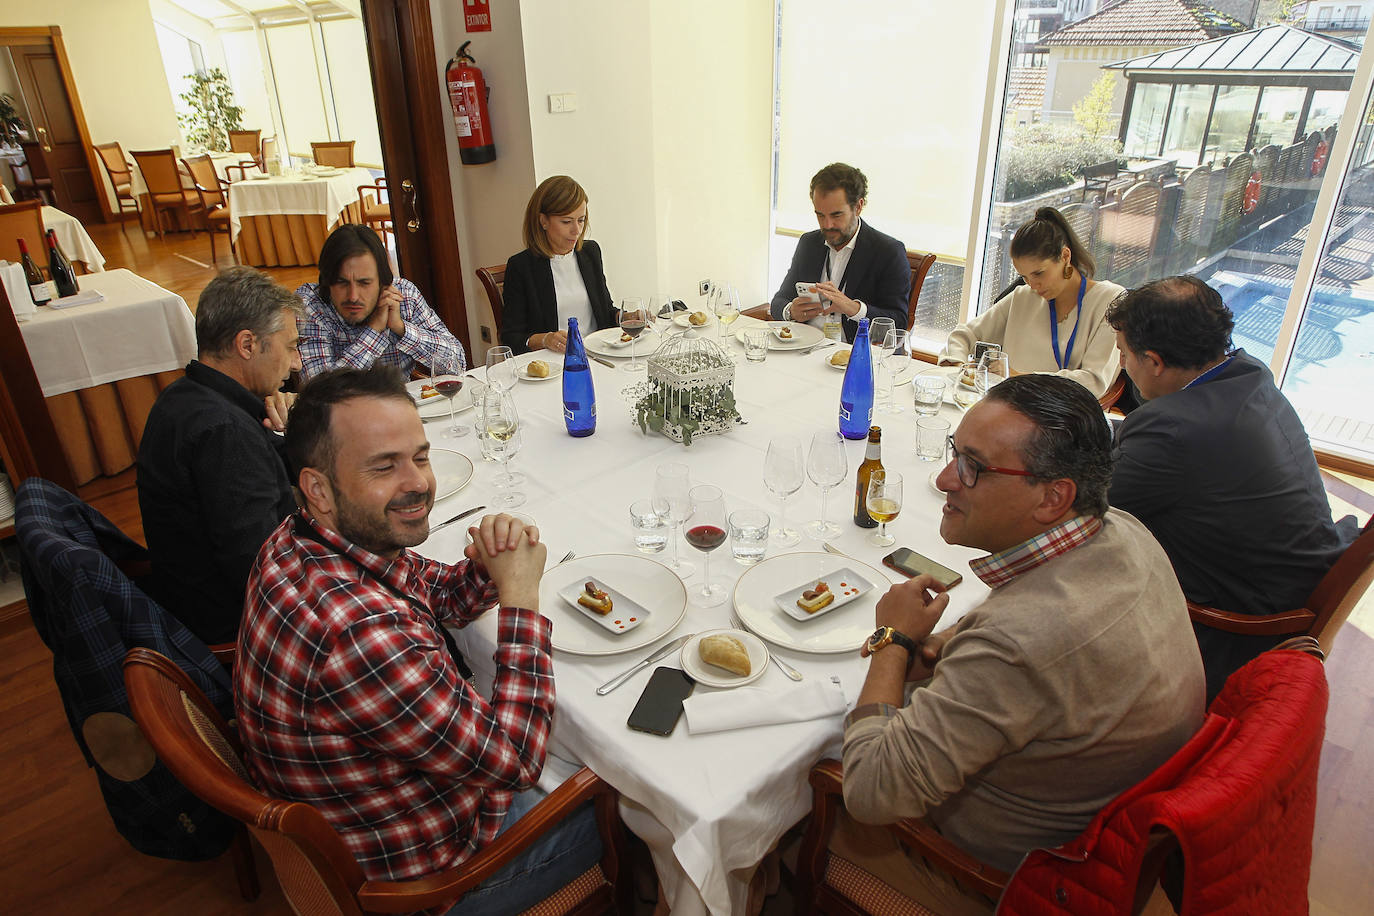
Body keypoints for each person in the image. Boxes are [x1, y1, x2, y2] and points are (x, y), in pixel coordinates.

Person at [234, 365, 600, 912]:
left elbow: (431, 592)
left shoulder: (303, 537)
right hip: (434, 884)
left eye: (421, 457)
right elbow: (517, 759)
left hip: (375, 814)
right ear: (319, 487)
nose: (418, 484)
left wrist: (488, 567)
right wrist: (520, 596)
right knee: (634, 801)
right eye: (385, 466)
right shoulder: (358, 634)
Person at [840, 375, 1204, 915]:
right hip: (1098, 816)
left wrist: (892, 640)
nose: (944, 480)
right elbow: (1028, 648)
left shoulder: (1022, 643)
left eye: (973, 467)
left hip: (1005, 875)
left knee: (790, 796)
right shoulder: (1122, 529)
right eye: (953, 454)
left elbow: (870, 792)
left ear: (1054, 496)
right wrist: (949, 645)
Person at [1106, 275, 1359, 699]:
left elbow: (1088, 503)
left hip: (1234, 629)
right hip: (1287, 586)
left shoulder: (1174, 427)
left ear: (1153, 361)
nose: (1123, 366)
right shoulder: (1248, 375)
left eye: (1123, 354)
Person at [137, 266, 302, 645]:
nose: (296, 364)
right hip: (241, 633)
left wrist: (302, 426)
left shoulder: (185, 397)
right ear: (247, 345)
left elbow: (285, 461)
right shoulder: (224, 433)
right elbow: (265, 576)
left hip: (194, 599)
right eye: (290, 346)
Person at [940, 207, 1123, 399]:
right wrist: (958, 366)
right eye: (1024, 276)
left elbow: (1093, 382)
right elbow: (964, 335)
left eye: (1039, 273)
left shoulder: (1110, 301)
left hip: (1060, 418)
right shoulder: (1023, 297)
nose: (1033, 285)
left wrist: (1017, 377)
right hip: (1008, 406)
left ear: (1065, 256)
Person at [296, 224, 467, 380]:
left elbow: (458, 362)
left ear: (383, 282)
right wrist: (374, 331)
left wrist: (402, 329)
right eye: (342, 282)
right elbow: (321, 396)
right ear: (327, 281)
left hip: (401, 407)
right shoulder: (311, 306)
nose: (353, 296)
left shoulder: (403, 294)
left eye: (364, 283)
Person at [769, 163, 911, 342]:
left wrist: (854, 308)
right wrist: (790, 311)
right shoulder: (809, 243)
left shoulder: (888, 251)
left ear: (858, 207)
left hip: (853, 356)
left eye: (836, 215)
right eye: (820, 215)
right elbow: (778, 301)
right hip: (803, 349)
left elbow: (898, 323)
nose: (827, 225)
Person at [500, 175, 617, 355]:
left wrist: (626, 317)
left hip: (598, 355)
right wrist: (546, 339)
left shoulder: (590, 252)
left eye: (581, 220)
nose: (576, 231)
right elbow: (511, 337)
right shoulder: (521, 266)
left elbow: (606, 312)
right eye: (566, 221)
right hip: (554, 363)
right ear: (543, 221)